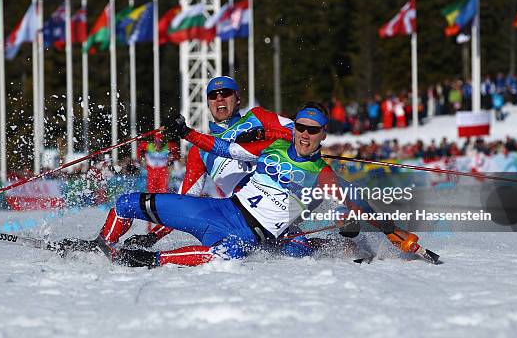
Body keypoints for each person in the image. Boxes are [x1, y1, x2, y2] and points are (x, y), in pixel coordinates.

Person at [61, 103, 422, 267]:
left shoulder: (320, 173)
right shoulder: (274, 146)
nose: (305, 135)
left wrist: (388, 230)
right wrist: (186, 133)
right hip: (218, 209)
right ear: (294, 128)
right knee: (127, 202)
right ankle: (100, 245)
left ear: (322, 135)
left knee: (230, 253)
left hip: (248, 234)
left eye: (313, 131)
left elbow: (350, 204)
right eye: (301, 127)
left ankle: (149, 260)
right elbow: (223, 148)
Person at [124, 75, 295, 247]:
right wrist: (153, 237)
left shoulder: (257, 117)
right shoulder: (200, 150)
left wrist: (261, 135)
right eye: (213, 95)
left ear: (237, 99)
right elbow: (184, 201)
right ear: (208, 103)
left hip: (283, 206)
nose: (219, 98)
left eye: (225, 93)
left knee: (301, 249)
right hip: (244, 222)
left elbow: (299, 133)